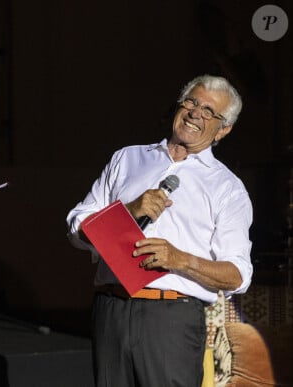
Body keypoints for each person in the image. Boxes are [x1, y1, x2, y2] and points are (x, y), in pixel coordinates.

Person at [66, 74, 253, 386]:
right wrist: (129, 211)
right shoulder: (127, 158)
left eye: (209, 111)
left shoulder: (227, 187)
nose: (196, 113)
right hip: (111, 308)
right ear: (179, 105)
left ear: (223, 130)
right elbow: (77, 227)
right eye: (192, 102)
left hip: (171, 318)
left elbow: (238, 275)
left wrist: (180, 259)